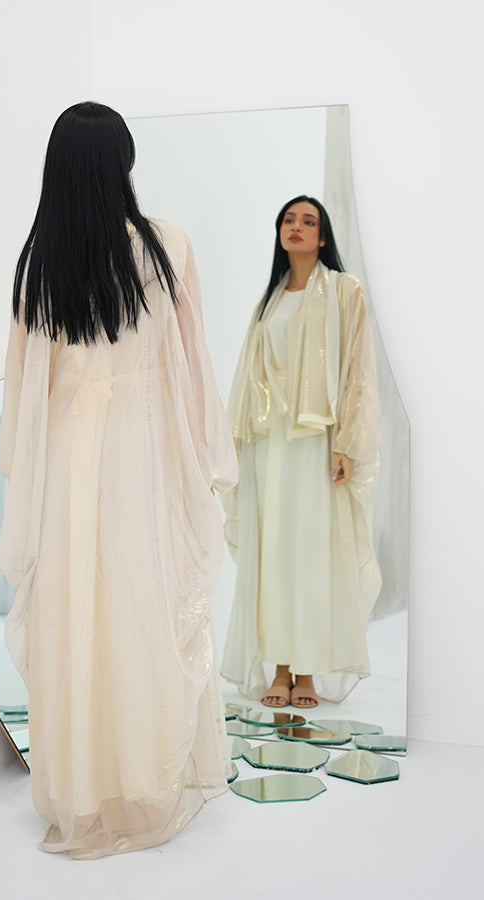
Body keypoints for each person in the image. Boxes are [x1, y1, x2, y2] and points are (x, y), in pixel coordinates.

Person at [0, 102, 238, 859]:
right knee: (139, 606)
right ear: (123, 162)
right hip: (142, 448)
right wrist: (206, 458)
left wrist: (23, 471)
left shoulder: (41, 259)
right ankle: (143, 775)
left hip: (70, 455)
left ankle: (84, 784)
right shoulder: (167, 246)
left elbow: (25, 384)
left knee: (79, 609)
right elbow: (191, 362)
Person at [221, 196, 381, 709]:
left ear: (322, 236)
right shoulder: (269, 302)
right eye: (288, 220)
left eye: (308, 221)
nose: (296, 227)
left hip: (316, 444)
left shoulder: (344, 291)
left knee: (311, 552)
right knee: (275, 554)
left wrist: (348, 443)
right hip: (270, 446)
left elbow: (358, 371)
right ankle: (280, 669)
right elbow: (249, 378)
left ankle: (306, 673)